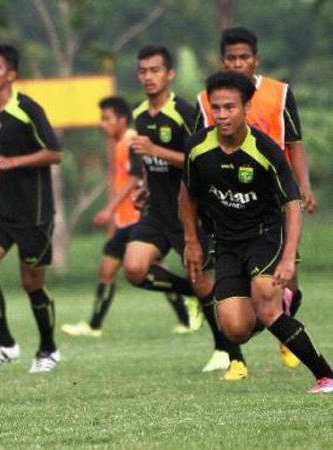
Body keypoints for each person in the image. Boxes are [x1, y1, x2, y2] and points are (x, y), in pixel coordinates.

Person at [180, 70, 333, 393]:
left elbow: (292, 205)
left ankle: (326, 376)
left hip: (265, 235)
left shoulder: (265, 150)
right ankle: (280, 307)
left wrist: (289, 258)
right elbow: (187, 197)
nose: (222, 115)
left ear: (247, 107)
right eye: (216, 107)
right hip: (226, 243)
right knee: (235, 329)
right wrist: (192, 241)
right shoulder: (197, 149)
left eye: (230, 107)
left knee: (266, 305)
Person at [121, 45, 245, 379]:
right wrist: (144, 185)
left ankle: (228, 353)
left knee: (205, 283)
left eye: (155, 70)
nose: (148, 77)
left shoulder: (185, 112)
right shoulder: (139, 114)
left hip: (188, 213)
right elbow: (152, 164)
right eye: (143, 71)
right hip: (156, 212)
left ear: (169, 74)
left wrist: (155, 150)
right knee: (134, 269)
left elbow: (200, 160)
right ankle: (191, 291)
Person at [194, 27, 313, 368]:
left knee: (286, 282)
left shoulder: (279, 92)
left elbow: (294, 143)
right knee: (239, 292)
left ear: (255, 59)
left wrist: (303, 185)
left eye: (243, 57)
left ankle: (285, 329)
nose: (237, 63)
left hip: (276, 197)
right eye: (230, 58)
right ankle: (237, 359)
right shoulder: (208, 101)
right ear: (222, 61)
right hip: (231, 203)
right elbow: (198, 150)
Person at [61, 96, 202, 338]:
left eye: (107, 119)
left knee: (109, 269)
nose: (103, 124)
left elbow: (136, 176)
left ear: (122, 119)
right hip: (130, 219)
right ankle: (186, 314)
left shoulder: (129, 141)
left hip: (137, 219)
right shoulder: (120, 143)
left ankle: (94, 325)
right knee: (145, 268)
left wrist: (111, 209)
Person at [0, 44, 62, 374]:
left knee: (31, 283)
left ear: (11, 74)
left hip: (34, 213)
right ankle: (5, 344)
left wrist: (12, 162)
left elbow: (54, 153)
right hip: (0, 210)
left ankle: (49, 349)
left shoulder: (27, 108)